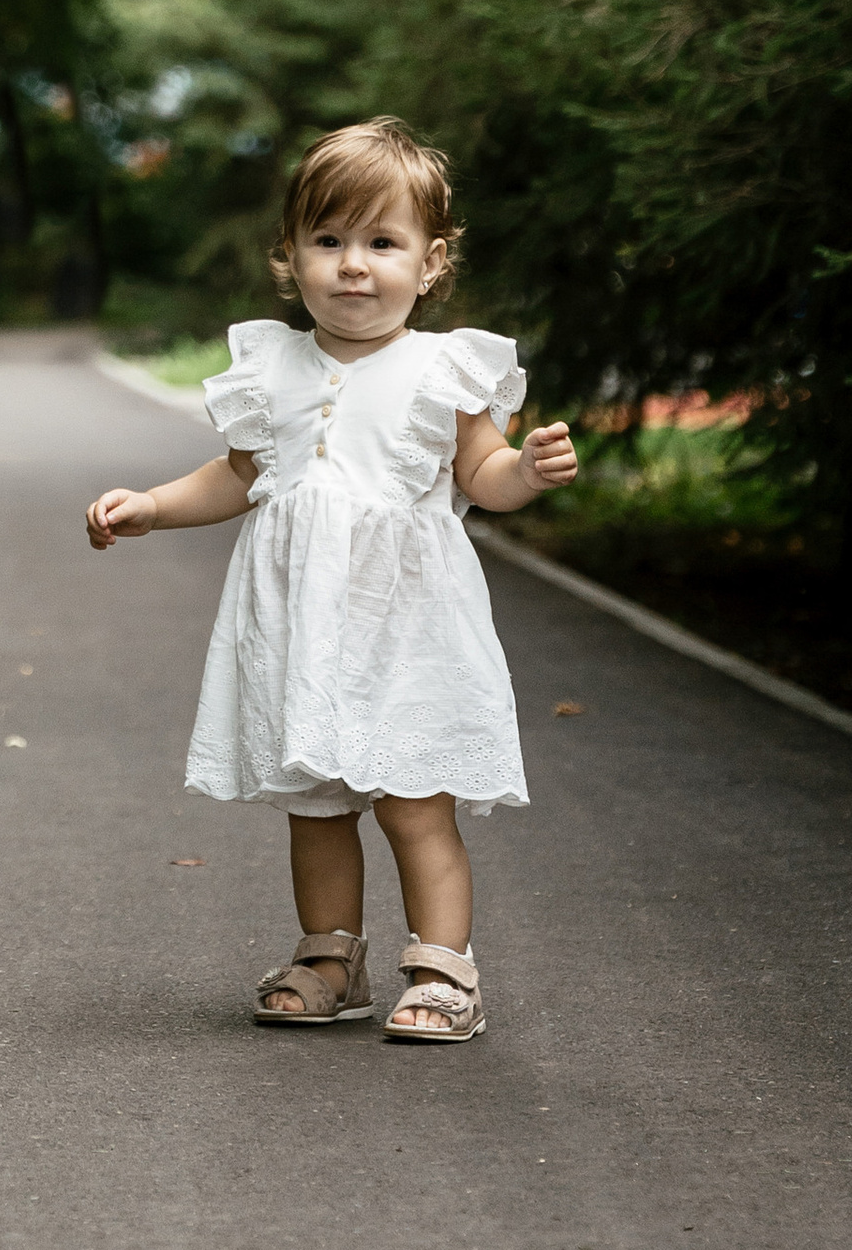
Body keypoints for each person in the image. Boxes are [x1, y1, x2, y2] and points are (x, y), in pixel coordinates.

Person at [85, 115, 576, 1041]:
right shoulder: (271, 368)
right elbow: (237, 476)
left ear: (430, 263)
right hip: (302, 626)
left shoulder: (443, 367)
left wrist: (529, 473)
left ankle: (442, 968)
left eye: (382, 242)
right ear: (291, 256)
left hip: (408, 625)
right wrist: (152, 504)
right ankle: (328, 954)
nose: (355, 264)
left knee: (411, 799)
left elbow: (481, 476)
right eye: (330, 240)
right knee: (315, 805)